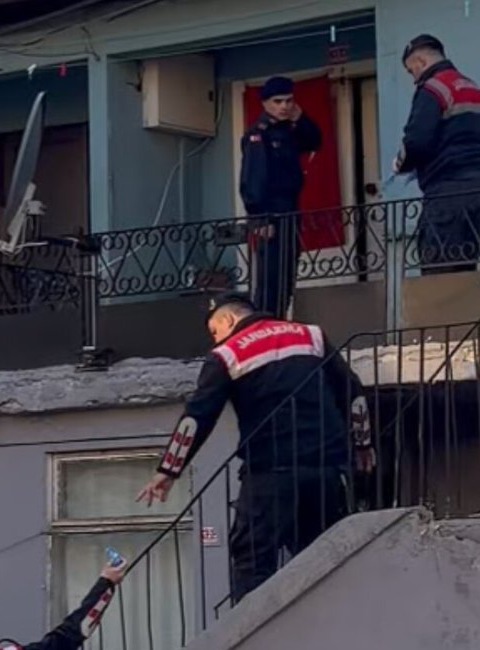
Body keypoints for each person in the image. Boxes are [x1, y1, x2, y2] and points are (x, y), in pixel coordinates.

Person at [136, 292, 374, 602]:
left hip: (269, 473)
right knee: (324, 557)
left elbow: (197, 417)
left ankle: (253, 631)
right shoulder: (311, 335)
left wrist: (168, 470)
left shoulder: (226, 354)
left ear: (228, 319)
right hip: (325, 470)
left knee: (252, 560)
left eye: (214, 331)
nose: (215, 339)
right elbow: (352, 392)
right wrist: (363, 444)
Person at [394, 34, 480, 275]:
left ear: (420, 61)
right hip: (479, 187)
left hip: (447, 190)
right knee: (464, 268)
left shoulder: (432, 88)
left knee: (438, 269)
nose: (413, 78)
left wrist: (400, 163)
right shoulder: (474, 88)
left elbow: (416, 141)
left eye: (411, 71)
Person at [240, 75, 322, 317]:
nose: (284, 106)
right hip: (271, 213)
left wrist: (300, 117)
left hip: (290, 209)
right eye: (278, 101)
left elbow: (314, 141)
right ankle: (265, 323)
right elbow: (253, 178)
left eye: (289, 101)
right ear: (265, 103)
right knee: (270, 278)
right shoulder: (259, 134)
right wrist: (260, 218)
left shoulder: (288, 130)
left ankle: (279, 320)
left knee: (286, 273)